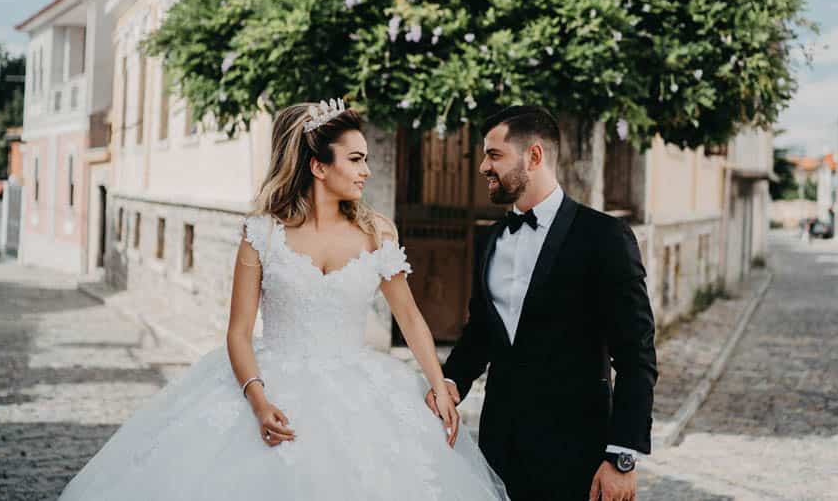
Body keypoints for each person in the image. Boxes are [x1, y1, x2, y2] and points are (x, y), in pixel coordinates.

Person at [59, 100, 508, 500]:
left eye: (366, 160)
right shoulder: (263, 234)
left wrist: (439, 385)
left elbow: (409, 317)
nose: (366, 171)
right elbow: (238, 333)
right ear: (318, 167)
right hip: (270, 382)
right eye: (355, 159)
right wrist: (258, 402)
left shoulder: (377, 234)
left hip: (359, 390)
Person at [425, 105, 658, 501]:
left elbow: (637, 355)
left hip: (577, 455)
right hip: (498, 448)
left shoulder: (604, 237)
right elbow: (482, 331)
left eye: (494, 155)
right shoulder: (489, 240)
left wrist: (622, 456)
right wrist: (448, 383)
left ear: (534, 156)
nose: (483, 166)